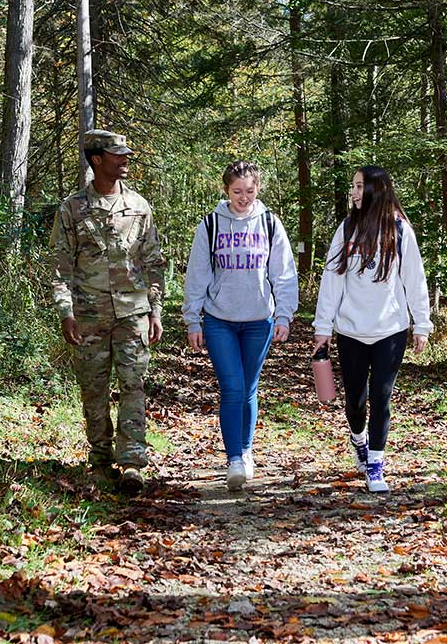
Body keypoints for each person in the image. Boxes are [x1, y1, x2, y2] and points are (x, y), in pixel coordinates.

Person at [50, 129, 165, 494]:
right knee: (94, 389)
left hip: (133, 312)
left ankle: (131, 461)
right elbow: (59, 267)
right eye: (117, 154)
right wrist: (65, 312)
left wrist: (156, 310)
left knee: (133, 385)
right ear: (97, 159)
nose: (125, 159)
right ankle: (100, 460)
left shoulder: (139, 206)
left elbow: (153, 262)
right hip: (89, 315)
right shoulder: (72, 209)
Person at [312, 165, 432, 493]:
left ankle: (376, 464)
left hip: (390, 330)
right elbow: (332, 280)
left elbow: (414, 279)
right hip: (351, 331)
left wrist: (422, 323)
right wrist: (323, 326)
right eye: (352, 186)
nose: (353, 192)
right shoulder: (347, 228)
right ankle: (359, 439)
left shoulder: (400, 231)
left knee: (382, 396)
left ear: (375, 190)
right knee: (356, 400)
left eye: (358, 186)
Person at [182, 161, 298, 492]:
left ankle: (247, 452)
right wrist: (193, 318)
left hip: (259, 321)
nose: (243, 198)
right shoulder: (211, 225)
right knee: (232, 388)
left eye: (249, 191)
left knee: (248, 388)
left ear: (258, 189)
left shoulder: (270, 224)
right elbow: (197, 276)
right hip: (219, 320)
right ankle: (234, 458)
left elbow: (283, 274)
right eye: (237, 191)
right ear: (226, 191)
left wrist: (284, 315)